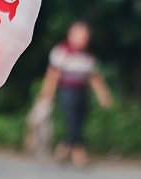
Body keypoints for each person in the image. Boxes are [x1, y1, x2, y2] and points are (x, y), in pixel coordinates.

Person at [39, 21, 112, 166]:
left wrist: (103, 95)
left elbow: (94, 78)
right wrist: (47, 94)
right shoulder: (62, 51)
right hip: (68, 92)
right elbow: (53, 75)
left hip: (82, 92)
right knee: (72, 121)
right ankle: (79, 153)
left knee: (78, 121)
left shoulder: (87, 56)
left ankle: (64, 149)